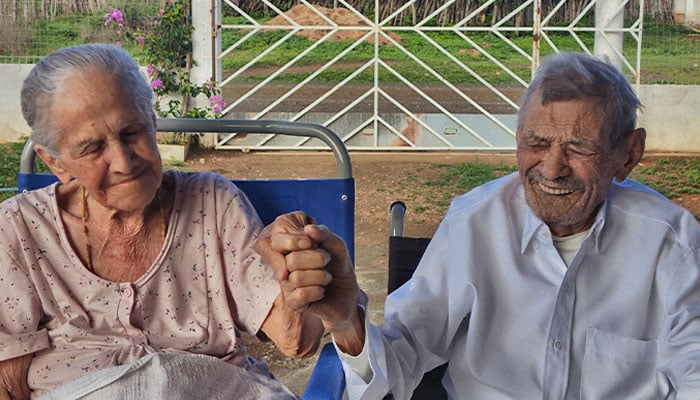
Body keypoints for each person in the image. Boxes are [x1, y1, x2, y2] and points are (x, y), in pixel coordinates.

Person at [256, 52, 700, 399]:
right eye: (537, 142)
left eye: (579, 147)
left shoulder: (673, 244)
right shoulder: (475, 222)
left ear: (628, 154)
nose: (552, 168)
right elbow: (401, 358)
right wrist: (345, 321)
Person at [0, 43, 325, 399]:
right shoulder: (18, 231)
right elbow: (7, 385)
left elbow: (297, 340)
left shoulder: (213, 203)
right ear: (56, 163)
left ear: (152, 121)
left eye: (132, 132)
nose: (124, 162)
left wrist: (297, 282)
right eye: (93, 148)